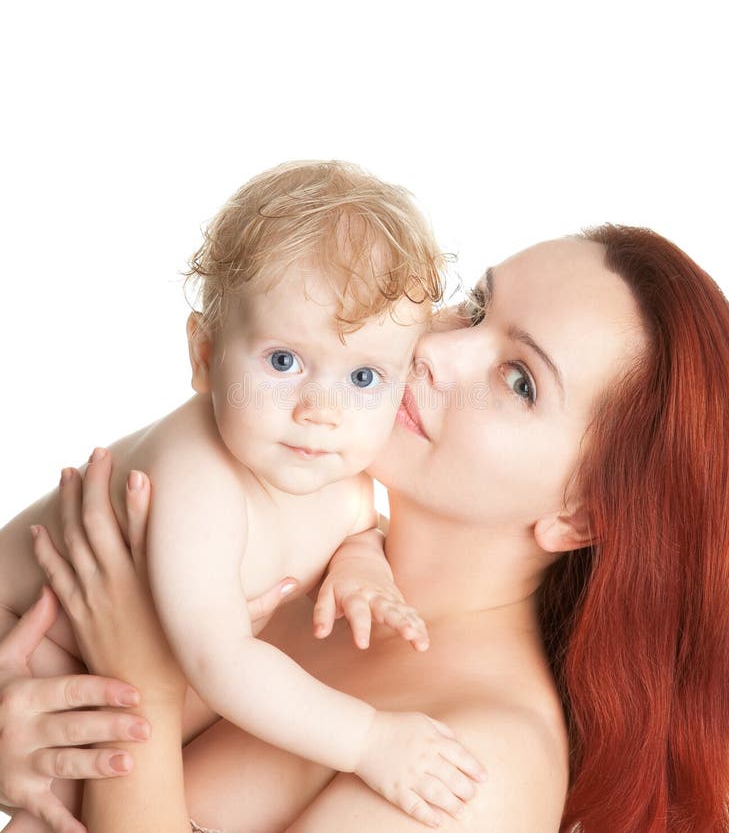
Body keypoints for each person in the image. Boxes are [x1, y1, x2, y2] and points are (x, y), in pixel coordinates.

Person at [4, 224, 729, 832]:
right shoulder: (299, 549)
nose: (434, 351)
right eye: (474, 307)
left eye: (518, 380)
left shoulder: (478, 763)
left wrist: (141, 697)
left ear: (577, 516)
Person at [0, 159, 491, 832]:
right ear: (204, 355)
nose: (321, 409)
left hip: (93, 676)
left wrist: (361, 562)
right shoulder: (194, 481)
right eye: (283, 363)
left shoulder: (334, 462)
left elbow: (355, 525)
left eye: (364, 376)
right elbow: (221, 661)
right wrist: (370, 741)